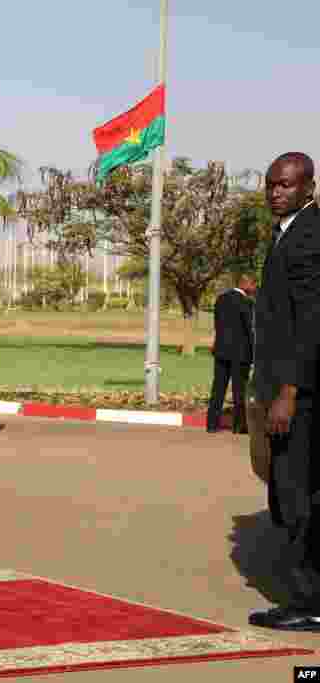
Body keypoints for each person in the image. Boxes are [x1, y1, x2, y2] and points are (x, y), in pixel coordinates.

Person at [248, 152, 320, 632]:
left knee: (297, 497)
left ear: (308, 187)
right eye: (272, 184)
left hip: (299, 394)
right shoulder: (288, 232)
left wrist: (289, 391)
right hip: (283, 386)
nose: (276, 192)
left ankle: (308, 602)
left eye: (287, 185)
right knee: (289, 493)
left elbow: (311, 321)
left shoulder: (308, 237)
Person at [207, 275, 256, 434]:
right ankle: (239, 426)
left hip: (221, 351)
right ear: (246, 283)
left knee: (218, 388)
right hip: (240, 354)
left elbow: (217, 324)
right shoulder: (246, 302)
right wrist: (254, 353)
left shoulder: (221, 299)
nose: (254, 287)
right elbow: (250, 330)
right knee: (239, 390)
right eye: (253, 283)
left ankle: (212, 424)